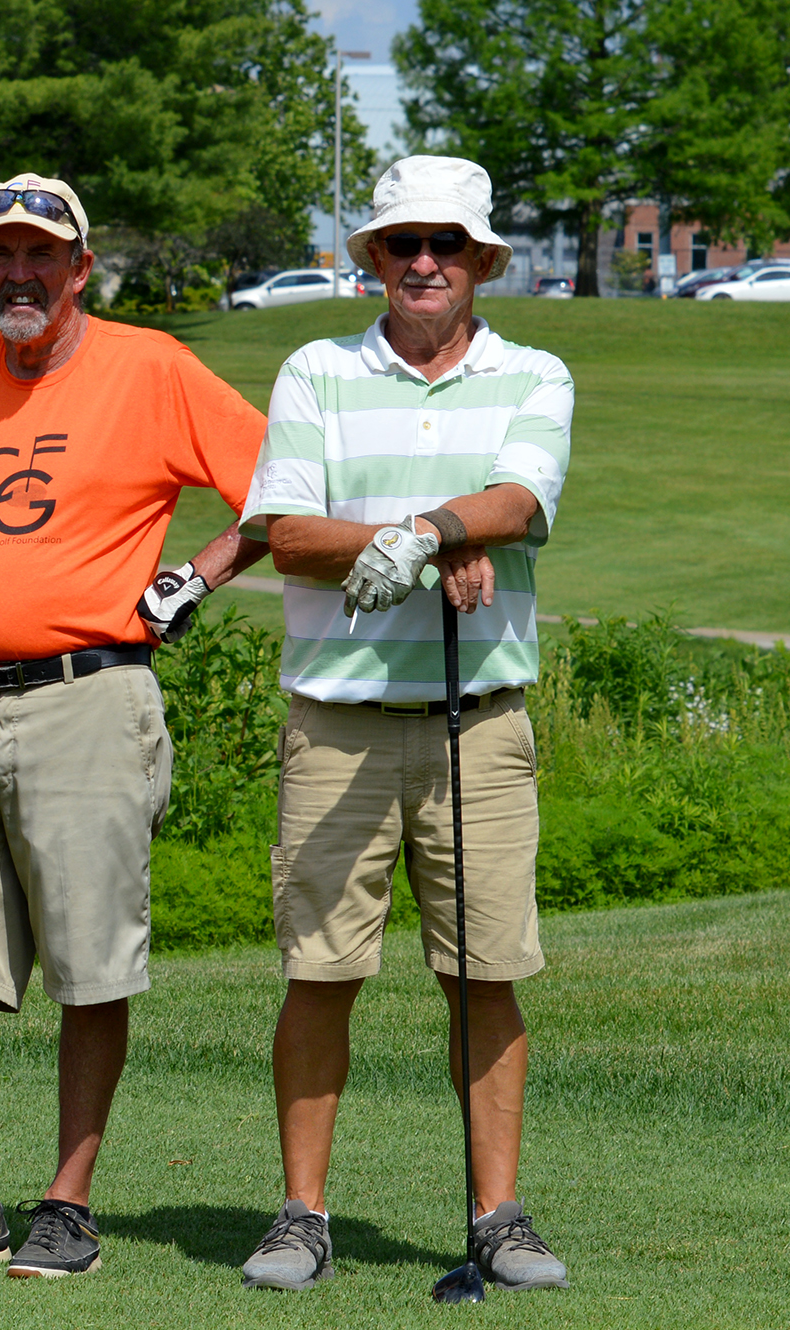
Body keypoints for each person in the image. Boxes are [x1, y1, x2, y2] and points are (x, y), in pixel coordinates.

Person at [0, 173, 269, 1278]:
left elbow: (277, 485)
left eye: (40, 254)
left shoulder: (152, 366)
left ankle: (67, 1202)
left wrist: (196, 578)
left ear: (80, 268)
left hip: (91, 694)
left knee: (90, 962)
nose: (16, 273)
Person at [233, 155, 572, 1294]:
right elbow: (281, 530)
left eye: (442, 245)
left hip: (476, 724)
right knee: (319, 972)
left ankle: (497, 1217)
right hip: (335, 720)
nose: (419, 262)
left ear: (479, 261)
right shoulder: (315, 369)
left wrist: (413, 528)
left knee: (483, 974)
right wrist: (443, 533)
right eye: (397, 243)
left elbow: (518, 502)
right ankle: (299, 1215)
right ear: (370, 256)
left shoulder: (533, 371)